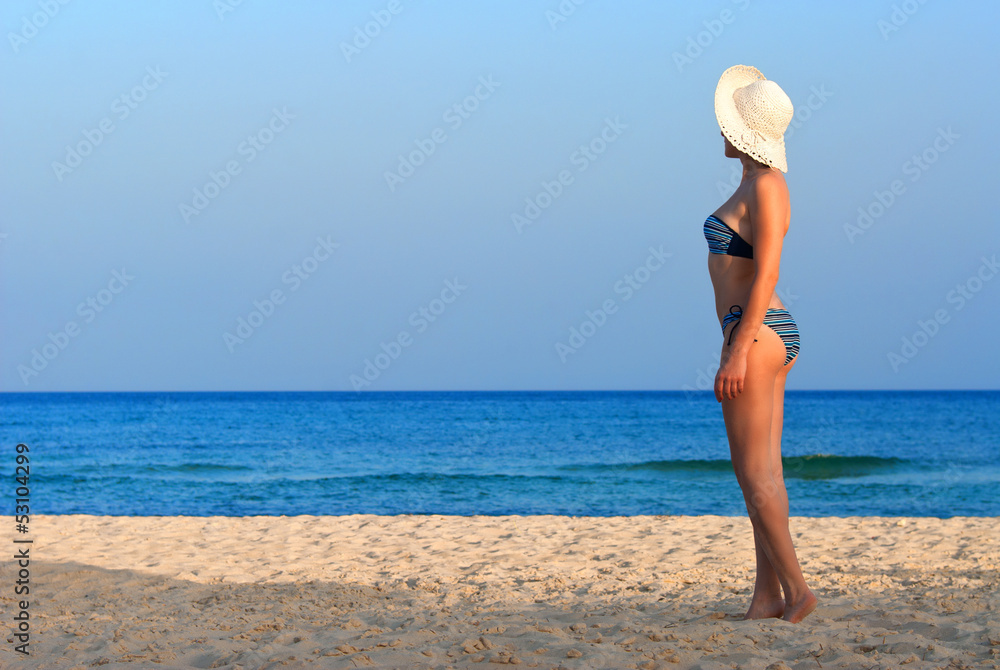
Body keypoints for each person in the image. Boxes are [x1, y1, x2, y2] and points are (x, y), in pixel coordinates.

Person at [705, 65, 817, 623]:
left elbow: (767, 275)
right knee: (762, 472)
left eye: (728, 124)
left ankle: (798, 593)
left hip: (759, 332)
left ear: (746, 133)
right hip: (758, 332)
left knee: (753, 474)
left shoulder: (769, 186)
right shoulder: (751, 183)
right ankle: (766, 596)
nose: (720, 131)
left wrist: (737, 350)